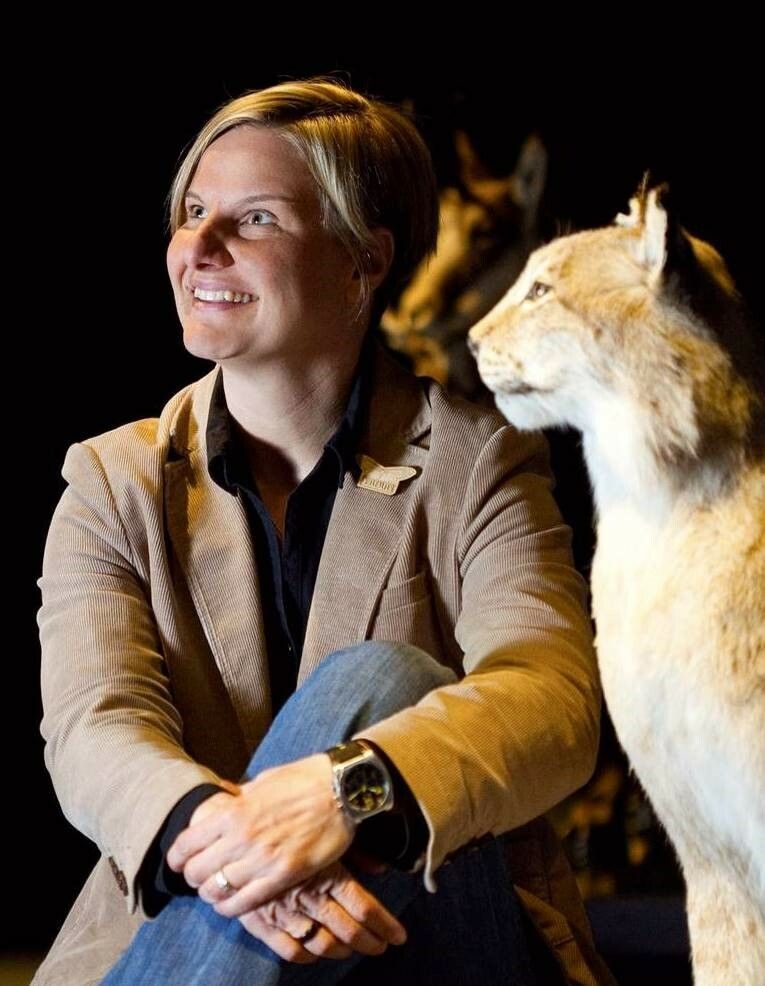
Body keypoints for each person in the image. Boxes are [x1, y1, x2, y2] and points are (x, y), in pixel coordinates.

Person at [35, 78, 612, 985]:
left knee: (384, 682)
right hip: (185, 913)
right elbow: (92, 726)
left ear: (363, 260)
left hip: (429, 945)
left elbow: (554, 699)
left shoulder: (480, 462)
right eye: (193, 211)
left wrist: (349, 792)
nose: (201, 247)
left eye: (255, 218)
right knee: (272, 839)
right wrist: (235, 851)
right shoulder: (113, 480)